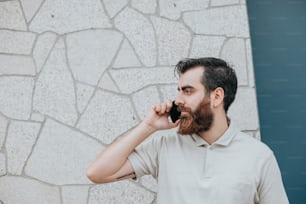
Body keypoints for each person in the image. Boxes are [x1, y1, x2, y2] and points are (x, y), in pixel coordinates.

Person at [86, 57, 289, 204]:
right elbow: (97, 173)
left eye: (188, 91)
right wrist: (148, 127)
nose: (178, 100)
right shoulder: (164, 147)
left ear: (217, 96)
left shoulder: (259, 157)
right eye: (179, 91)